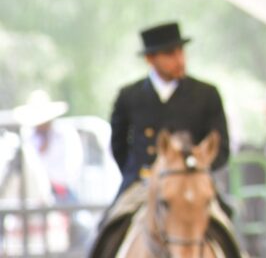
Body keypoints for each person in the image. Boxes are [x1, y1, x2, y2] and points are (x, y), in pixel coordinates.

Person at [109, 22, 230, 196]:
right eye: (169, 54)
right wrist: (137, 172)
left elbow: (220, 147)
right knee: (112, 221)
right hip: (142, 182)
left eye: (181, 51)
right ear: (150, 59)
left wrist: (195, 170)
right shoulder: (129, 95)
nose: (179, 60)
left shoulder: (206, 94)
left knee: (223, 219)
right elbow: (118, 146)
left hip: (194, 183)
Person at [15, 89, 83, 203]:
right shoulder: (26, 137)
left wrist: (49, 183)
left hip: (62, 193)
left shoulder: (65, 134)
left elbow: (73, 168)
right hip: (30, 196)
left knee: (78, 216)